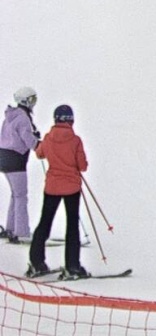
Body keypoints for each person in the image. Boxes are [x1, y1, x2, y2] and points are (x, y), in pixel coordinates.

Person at [28, 104, 89, 279]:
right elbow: (82, 166)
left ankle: (37, 262)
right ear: (71, 120)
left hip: (52, 187)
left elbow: (39, 154)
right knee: (72, 226)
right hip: (71, 188)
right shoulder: (75, 140)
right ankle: (72, 266)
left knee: (44, 223)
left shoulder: (48, 138)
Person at [0, 87, 42, 244]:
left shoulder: (10, 116)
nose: (34, 103)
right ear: (25, 101)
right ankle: (21, 231)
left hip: (4, 158)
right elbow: (27, 139)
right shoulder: (23, 118)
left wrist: (33, 136)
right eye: (32, 99)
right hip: (16, 160)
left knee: (16, 194)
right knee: (21, 196)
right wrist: (38, 145)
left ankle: (11, 228)